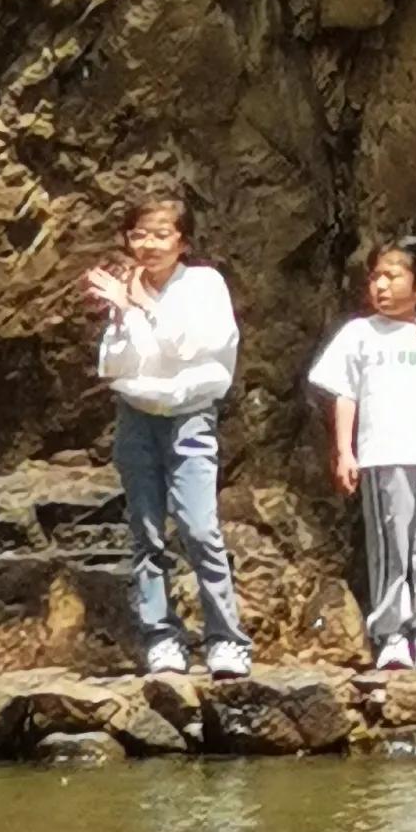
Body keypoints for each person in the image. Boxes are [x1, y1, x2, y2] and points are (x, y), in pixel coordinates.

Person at [86, 184, 250, 678]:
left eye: (161, 235)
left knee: (200, 529)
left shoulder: (203, 285)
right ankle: (162, 639)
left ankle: (226, 640)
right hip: (136, 416)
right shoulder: (127, 289)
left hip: (190, 415)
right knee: (147, 533)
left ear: (183, 242)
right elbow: (113, 365)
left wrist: (139, 307)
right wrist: (119, 311)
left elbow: (190, 346)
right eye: (139, 235)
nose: (149, 245)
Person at [308, 237, 416, 670]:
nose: (380, 286)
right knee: (390, 546)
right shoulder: (359, 333)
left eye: (392, 276)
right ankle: (392, 633)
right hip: (383, 452)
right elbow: (345, 393)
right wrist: (345, 451)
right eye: (375, 277)